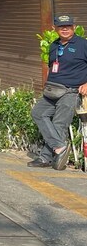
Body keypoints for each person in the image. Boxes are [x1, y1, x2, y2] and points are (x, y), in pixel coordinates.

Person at [29, 14, 87, 170]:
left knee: (59, 124)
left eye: (68, 26)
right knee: (38, 113)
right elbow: (52, 67)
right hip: (52, 90)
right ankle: (60, 147)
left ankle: (45, 158)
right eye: (62, 27)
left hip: (70, 91)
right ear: (55, 29)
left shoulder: (83, 44)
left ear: (74, 27)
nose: (65, 29)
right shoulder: (53, 45)